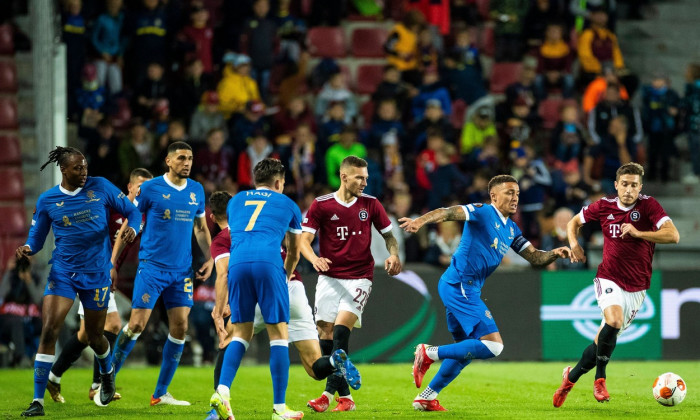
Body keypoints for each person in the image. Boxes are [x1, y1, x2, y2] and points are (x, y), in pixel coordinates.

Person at [399, 174, 571, 412]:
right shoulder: (482, 212)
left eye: (517, 193)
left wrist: (555, 253)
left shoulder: (511, 229)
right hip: (459, 284)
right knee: (493, 346)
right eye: (509, 192)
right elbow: (448, 212)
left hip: (465, 288)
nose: (515, 198)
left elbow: (535, 257)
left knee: (466, 349)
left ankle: (427, 397)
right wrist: (420, 221)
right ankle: (427, 352)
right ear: (493, 195)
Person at [206, 189, 360, 420]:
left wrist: (220, 309)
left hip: (262, 286)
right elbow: (292, 249)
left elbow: (224, 273)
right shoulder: (263, 225)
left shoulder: (227, 237)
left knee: (232, 337)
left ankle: (220, 402)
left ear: (213, 216)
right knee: (313, 366)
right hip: (292, 286)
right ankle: (333, 360)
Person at [17, 146, 141, 416]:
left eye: (85, 166)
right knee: (49, 329)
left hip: (96, 273)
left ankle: (106, 375)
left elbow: (134, 212)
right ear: (63, 169)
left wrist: (133, 227)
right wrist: (27, 248)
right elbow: (36, 238)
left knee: (95, 338)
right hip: (62, 272)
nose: (84, 172)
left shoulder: (102, 187)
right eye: (78, 168)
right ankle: (38, 401)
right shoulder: (48, 200)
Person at [553, 162, 680, 407]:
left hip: (638, 286)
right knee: (613, 320)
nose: (629, 190)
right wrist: (575, 244)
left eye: (634, 185)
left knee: (602, 339)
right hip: (608, 277)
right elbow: (573, 223)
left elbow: (673, 235)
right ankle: (600, 379)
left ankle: (570, 378)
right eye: (625, 184)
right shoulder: (604, 205)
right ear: (616, 185)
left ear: (640, 187)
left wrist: (639, 233)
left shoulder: (649, 206)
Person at [111, 141, 213, 406]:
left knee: (180, 327)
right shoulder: (151, 188)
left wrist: (211, 256)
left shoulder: (196, 190)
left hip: (182, 271)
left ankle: (160, 393)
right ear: (168, 161)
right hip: (152, 267)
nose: (187, 163)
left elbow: (201, 228)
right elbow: (130, 220)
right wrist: (113, 263)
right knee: (136, 325)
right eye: (181, 158)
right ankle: (106, 378)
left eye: (190, 158)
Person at [302, 156, 402, 413]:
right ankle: (345, 398)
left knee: (340, 330)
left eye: (366, 178)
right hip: (329, 277)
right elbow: (303, 241)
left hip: (360, 276)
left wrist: (393, 254)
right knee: (325, 334)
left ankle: (326, 396)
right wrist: (314, 259)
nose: (364, 182)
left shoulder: (371, 204)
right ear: (343, 176)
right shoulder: (321, 205)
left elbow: (389, 236)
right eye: (359, 177)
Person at [208, 159, 306, 420]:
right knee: (279, 334)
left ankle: (222, 392)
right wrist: (283, 276)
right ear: (278, 182)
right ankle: (279, 408)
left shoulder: (236, 201)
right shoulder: (289, 204)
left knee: (241, 332)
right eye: (283, 183)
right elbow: (294, 252)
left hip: (237, 264)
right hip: (268, 262)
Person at [45, 168, 153, 404]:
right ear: (130, 188)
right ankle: (98, 385)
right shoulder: (112, 206)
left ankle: (54, 376)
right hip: (92, 271)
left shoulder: (141, 216)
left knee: (87, 334)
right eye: (141, 187)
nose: (146, 192)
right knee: (111, 326)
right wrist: (109, 264)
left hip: (104, 274)